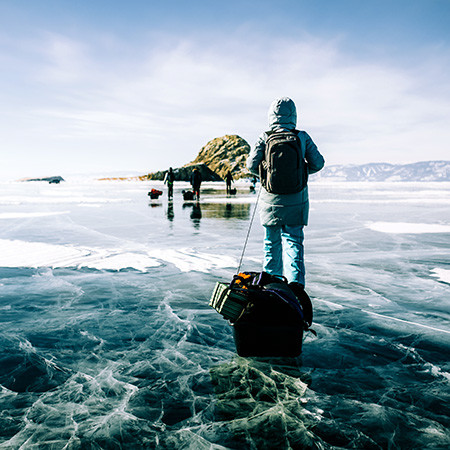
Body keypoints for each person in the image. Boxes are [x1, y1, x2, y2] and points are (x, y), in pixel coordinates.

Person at [246, 97, 324, 289]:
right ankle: (296, 287)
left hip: (270, 200)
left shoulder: (265, 137)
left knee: (271, 243)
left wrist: (267, 176)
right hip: (297, 200)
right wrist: (301, 172)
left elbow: (250, 166)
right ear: (294, 115)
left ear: (271, 116)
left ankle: (272, 286)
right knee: (294, 242)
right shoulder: (302, 137)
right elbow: (318, 163)